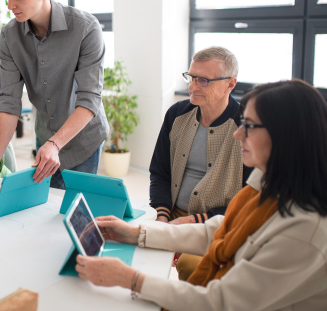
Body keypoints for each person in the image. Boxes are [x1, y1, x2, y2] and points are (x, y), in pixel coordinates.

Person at [75, 79, 327, 310]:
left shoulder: (305, 229)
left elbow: (220, 302)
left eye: (248, 126)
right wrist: (136, 232)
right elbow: (219, 230)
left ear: (287, 136)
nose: (238, 133)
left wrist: (129, 278)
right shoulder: (266, 182)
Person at [0, 0, 109, 196]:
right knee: (45, 208)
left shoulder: (86, 28)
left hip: (83, 139)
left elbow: (90, 98)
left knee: (74, 208)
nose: (10, 5)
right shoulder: (9, 37)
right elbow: (8, 102)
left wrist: (55, 144)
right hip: (46, 135)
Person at [149, 46, 252, 280]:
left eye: (203, 80)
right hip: (173, 211)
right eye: (191, 77)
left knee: (191, 266)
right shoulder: (176, 114)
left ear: (230, 84)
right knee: (134, 240)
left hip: (219, 220)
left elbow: (250, 198)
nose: (193, 86)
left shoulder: (247, 126)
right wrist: (163, 217)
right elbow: (160, 172)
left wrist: (194, 221)